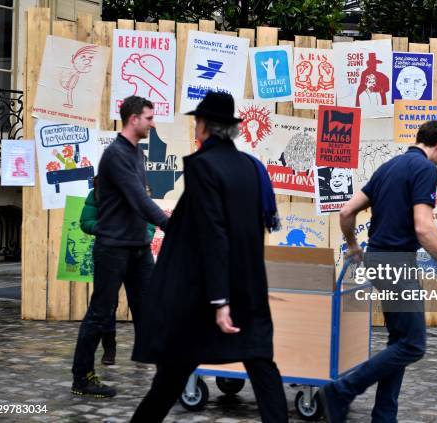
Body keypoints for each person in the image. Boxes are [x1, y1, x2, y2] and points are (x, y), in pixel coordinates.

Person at [131, 92, 288, 422]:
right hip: (248, 286)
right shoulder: (249, 166)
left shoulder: (204, 166)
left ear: (203, 127)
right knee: (261, 367)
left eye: (197, 122)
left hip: (206, 293)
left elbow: (213, 234)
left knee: (171, 377)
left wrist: (220, 300)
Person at [319, 120, 437, 423]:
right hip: (397, 262)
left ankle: (384, 416)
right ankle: (341, 390)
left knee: (399, 340)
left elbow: (346, 211)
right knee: (413, 344)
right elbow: (424, 228)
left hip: (376, 258)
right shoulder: (425, 169)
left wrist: (353, 245)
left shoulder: (388, 167)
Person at [71, 96, 169, 398]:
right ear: (133, 119)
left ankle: (167, 371)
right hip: (113, 248)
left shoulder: (137, 153)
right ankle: (82, 378)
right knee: (101, 314)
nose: (153, 123)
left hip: (138, 247)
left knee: (150, 308)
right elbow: (138, 200)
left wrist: (163, 218)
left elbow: (140, 199)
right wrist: (169, 226)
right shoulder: (115, 155)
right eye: (149, 118)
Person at [79, 176, 157, 366]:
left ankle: (144, 348)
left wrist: (145, 236)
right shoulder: (99, 190)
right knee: (107, 305)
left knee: (143, 303)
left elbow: (150, 221)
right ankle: (109, 349)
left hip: (139, 254)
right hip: (110, 253)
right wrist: (105, 228)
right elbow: (86, 221)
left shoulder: (139, 190)